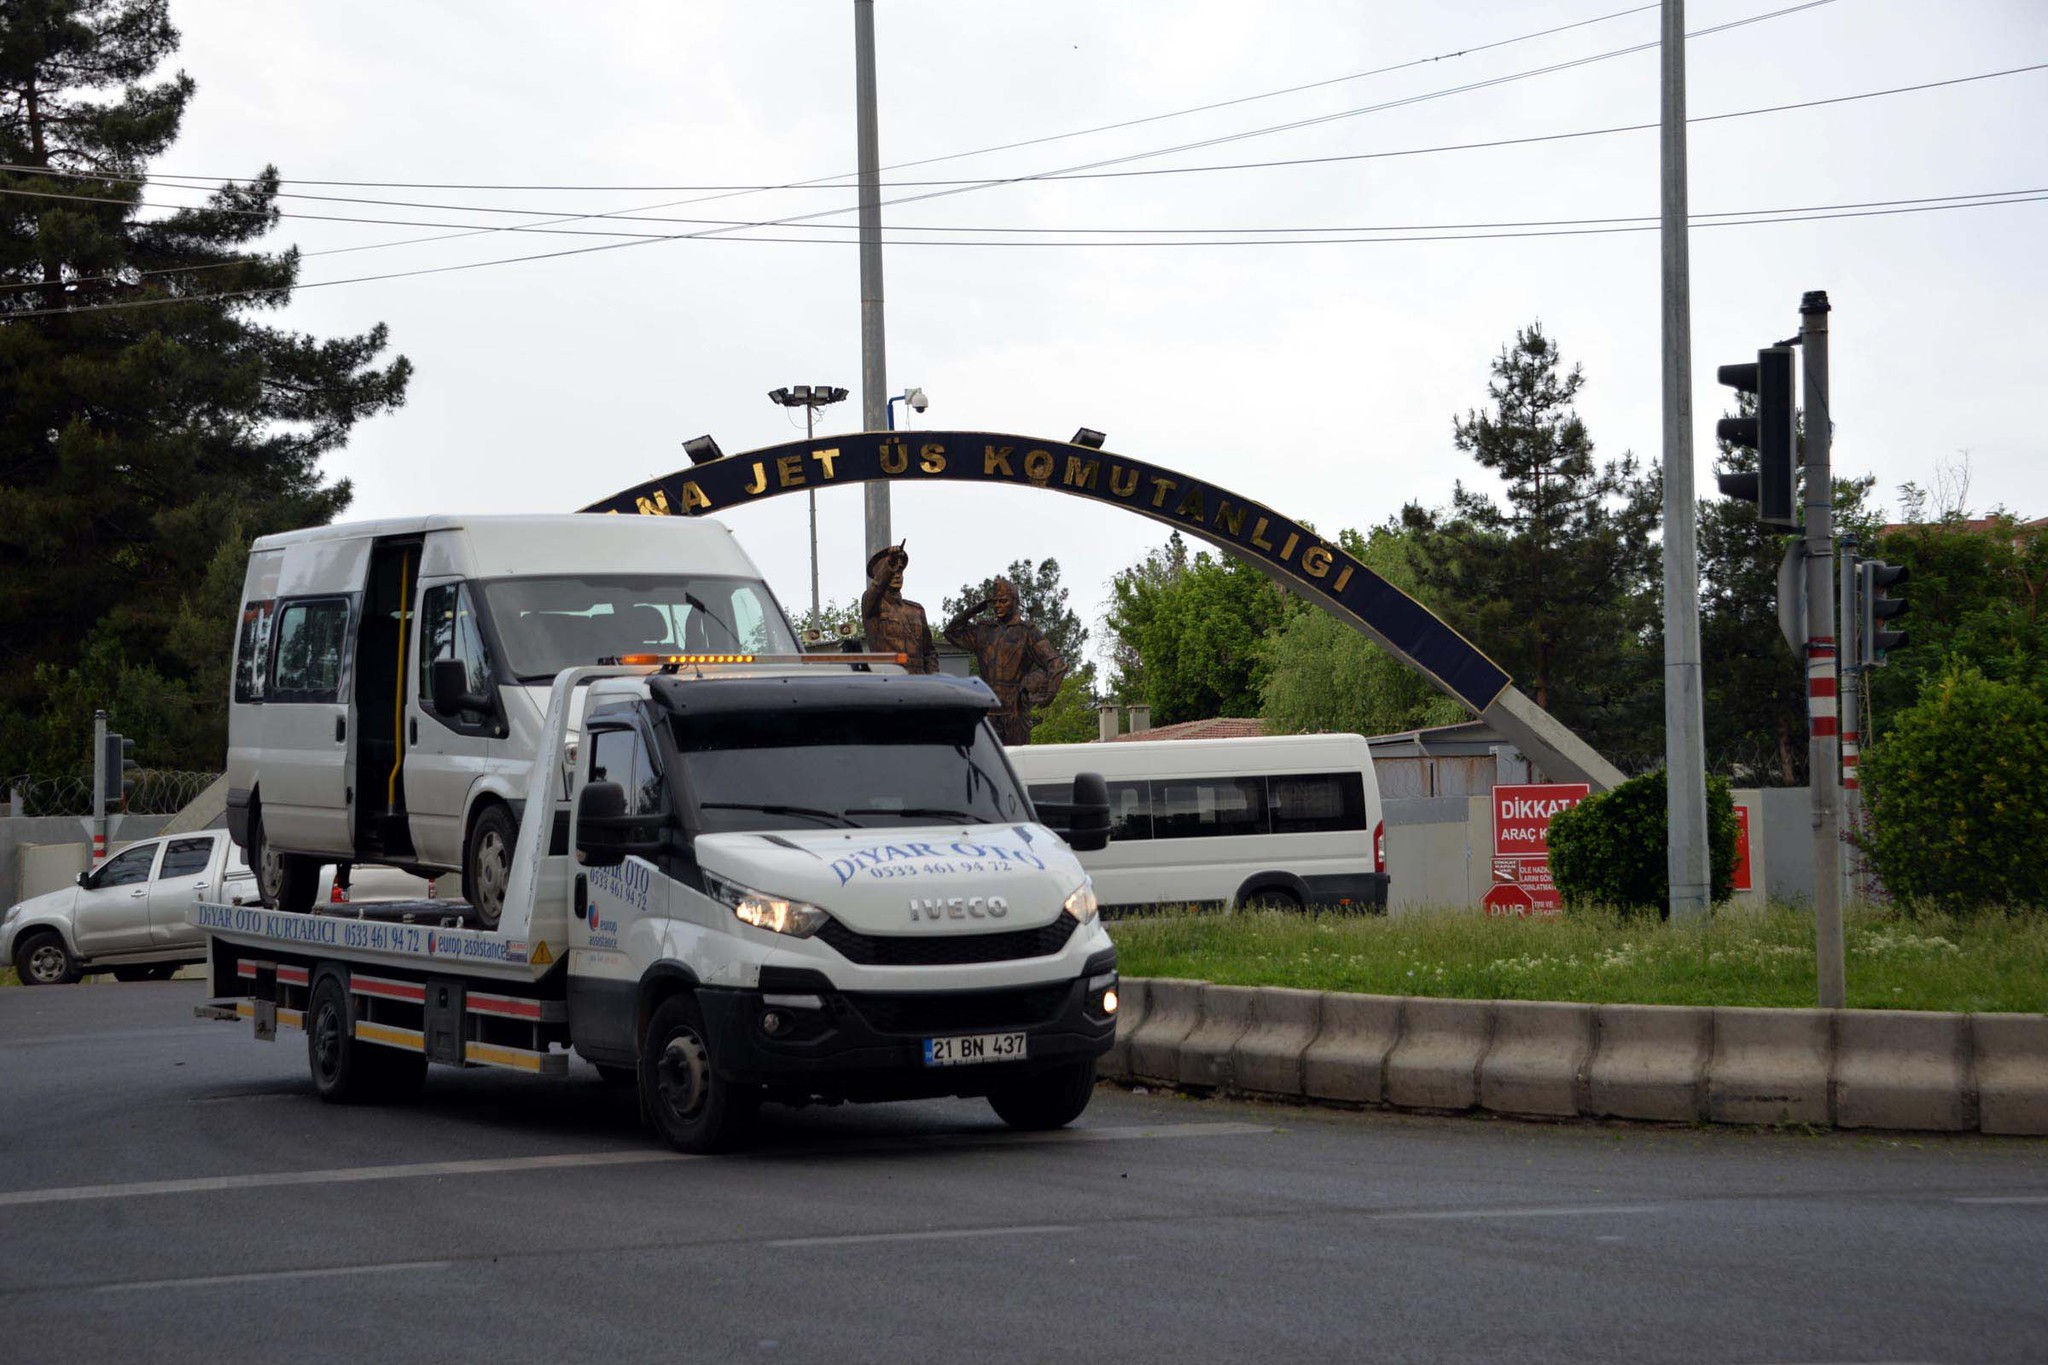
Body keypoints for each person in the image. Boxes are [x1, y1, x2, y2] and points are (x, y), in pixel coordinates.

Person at [944, 577, 1067, 745]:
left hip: (1015, 715)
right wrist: (977, 608)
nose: (997, 605)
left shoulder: (1026, 632)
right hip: (988, 713)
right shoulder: (984, 631)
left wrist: (1040, 691)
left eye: (1003, 601)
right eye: (994, 602)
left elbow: (1057, 664)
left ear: (1015, 602)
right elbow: (951, 632)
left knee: (1016, 764)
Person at [861, 542, 939, 674]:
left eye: (900, 570)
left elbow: (929, 653)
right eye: (892, 571)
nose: (897, 575)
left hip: (918, 683)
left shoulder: (916, 610)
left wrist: (934, 680)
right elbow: (877, 587)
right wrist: (888, 565)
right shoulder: (872, 605)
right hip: (889, 682)